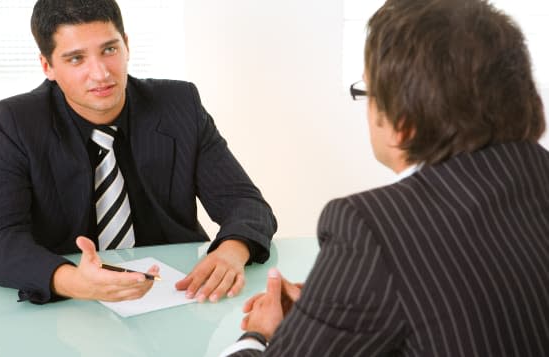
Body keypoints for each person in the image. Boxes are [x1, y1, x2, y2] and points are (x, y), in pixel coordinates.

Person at [221, 0, 549, 355]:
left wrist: (257, 336)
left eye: (367, 91)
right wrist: (334, 306)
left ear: (404, 122)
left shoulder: (372, 229)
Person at [0, 0, 276, 305]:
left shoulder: (179, 104)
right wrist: (75, 282)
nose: (101, 73)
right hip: (71, 309)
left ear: (126, 46)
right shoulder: (15, 122)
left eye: (109, 50)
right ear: (47, 66)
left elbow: (245, 202)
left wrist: (232, 251)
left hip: (176, 294)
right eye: (76, 59)